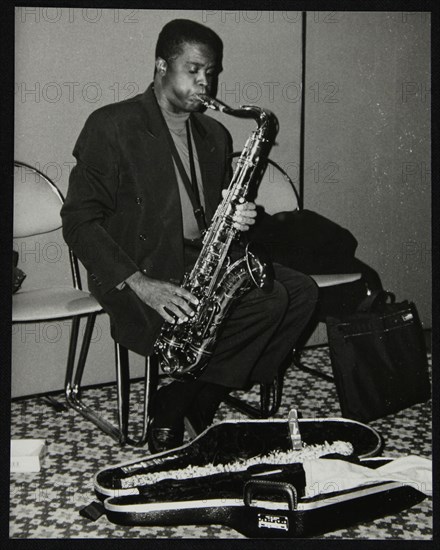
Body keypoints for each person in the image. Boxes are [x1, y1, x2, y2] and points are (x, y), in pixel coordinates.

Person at [61, 19, 318, 453]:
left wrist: (237, 218)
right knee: (269, 300)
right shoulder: (111, 125)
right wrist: (143, 284)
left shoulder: (213, 133)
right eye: (194, 69)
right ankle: (189, 397)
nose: (205, 82)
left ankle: (192, 396)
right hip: (137, 271)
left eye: (211, 72)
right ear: (161, 65)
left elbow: (209, 213)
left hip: (198, 260)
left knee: (302, 292)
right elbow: (79, 222)